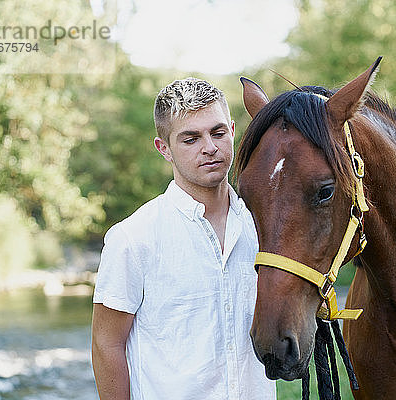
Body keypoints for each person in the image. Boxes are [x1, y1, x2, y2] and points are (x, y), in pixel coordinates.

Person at [91, 78, 276, 400]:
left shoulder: (263, 224)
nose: (210, 147)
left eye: (218, 133)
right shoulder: (133, 238)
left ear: (232, 130)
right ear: (164, 149)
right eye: (190, 139)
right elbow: (107, 344)